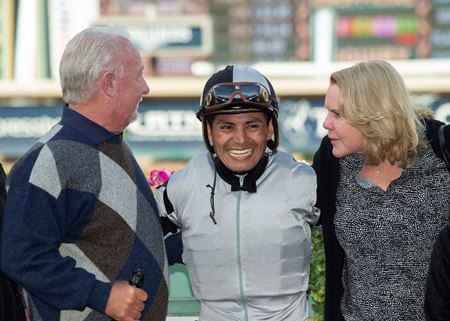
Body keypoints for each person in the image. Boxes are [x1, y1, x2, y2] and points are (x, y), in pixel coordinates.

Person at [0, 27, 169, 321]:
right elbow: (21, 256)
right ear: (110, 83)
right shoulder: (47, 160)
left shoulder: (113, 145)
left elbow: (117, 239)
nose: (145, 87)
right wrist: (102, 296)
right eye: (138, 75)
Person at [155, 64, 320, 320]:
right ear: (209, 132)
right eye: (226, 127)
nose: (240, 139)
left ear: (270, 128)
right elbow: (136, 237)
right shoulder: (185, 183)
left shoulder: (302, 180)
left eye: (252, 125)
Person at [312, 59, 450, 321]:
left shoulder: (442, 152)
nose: (326, 123)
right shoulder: (331, 162)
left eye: (337, 114)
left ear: (372, 114)